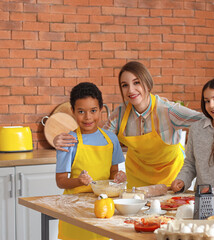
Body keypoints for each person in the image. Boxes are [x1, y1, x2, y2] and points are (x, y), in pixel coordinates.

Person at [54, 61, 203, 188]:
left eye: (136, 82)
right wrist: (59, 140)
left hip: (171, 181)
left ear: (148, 83)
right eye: (125, 85)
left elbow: (206, 120)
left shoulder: (168, 111)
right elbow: (99, 137)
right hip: (136, 185)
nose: (131, 90)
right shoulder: (120, 115)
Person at [56, 82, 126, 240]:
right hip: (74, 210)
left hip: (102, 209)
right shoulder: (68, 140)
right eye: (81, 111)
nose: (87, 117)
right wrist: (79, 181)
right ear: (73, 111)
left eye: (93, 111)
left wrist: (118, 177)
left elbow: (113, 172)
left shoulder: (111, 139)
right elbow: (60, 181)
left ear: (101, 109)